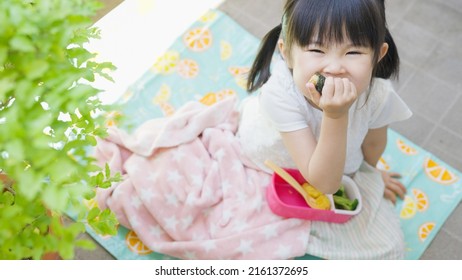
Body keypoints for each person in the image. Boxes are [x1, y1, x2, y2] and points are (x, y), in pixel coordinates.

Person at [237, 0, 412, 259]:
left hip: (332, 168)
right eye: (317, 49)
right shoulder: (279, 96)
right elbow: (324, 183)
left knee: (392, 247)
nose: (334, 67)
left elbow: (374, 144)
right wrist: (336, 115)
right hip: (277, 160)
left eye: (353, 52)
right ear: (286, 53)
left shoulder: (378, 95)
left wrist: (370, 173)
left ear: (378, 54)